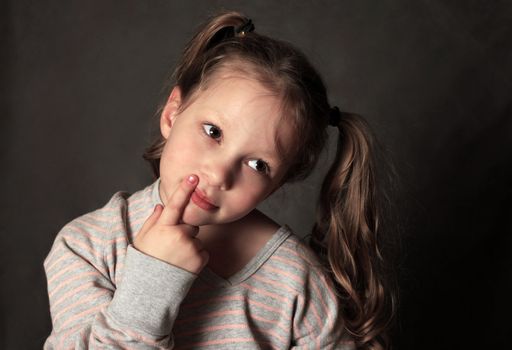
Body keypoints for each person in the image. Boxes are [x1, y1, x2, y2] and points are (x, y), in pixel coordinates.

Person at [44, 11, 396, 350]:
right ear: (172, 114)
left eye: (258, 164)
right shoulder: (87, 247)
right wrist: (152, 281)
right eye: (213, 132)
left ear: (280, 181)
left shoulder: (297, 285)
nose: (218, 175)